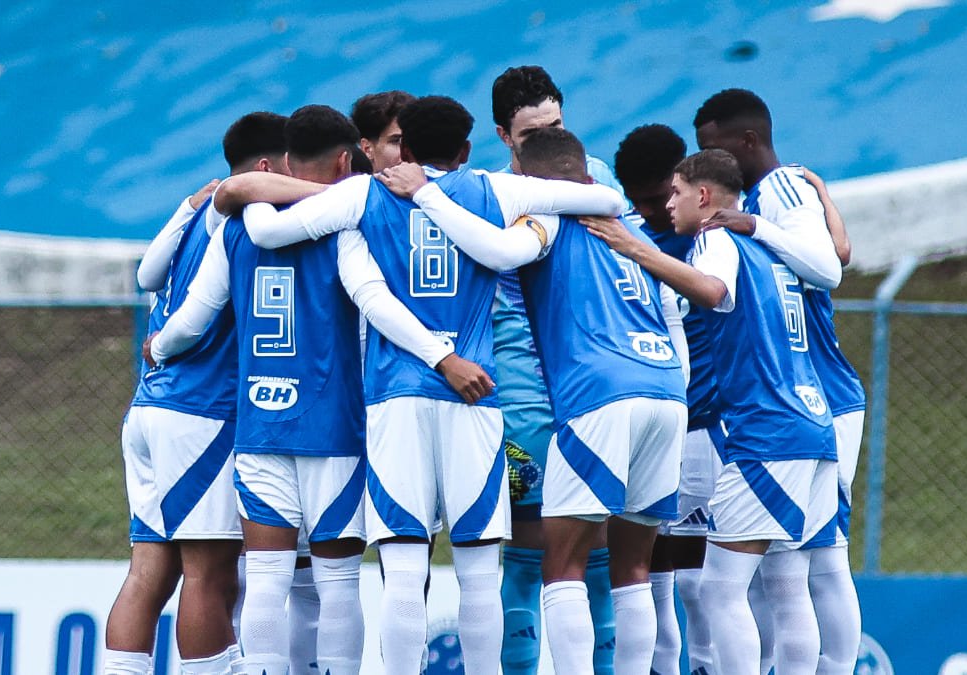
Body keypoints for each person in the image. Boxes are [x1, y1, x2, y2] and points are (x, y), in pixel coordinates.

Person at [223, 95, 626, 675]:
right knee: (478, 571)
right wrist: (537, 224)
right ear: (465, 150)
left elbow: (269, 234)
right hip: (476, 395)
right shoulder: (496, 191)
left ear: (403, 148)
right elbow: (607, 198)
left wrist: (241, 191)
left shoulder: (364, 195)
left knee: (406, 571)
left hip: (395, 398)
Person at [147, 105, 479, 675]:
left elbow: (191, 322)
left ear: (282, 159)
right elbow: (374, 298)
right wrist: (443, 355)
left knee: (268, 580)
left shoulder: (236, 229)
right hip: (335, 427)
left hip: (261, 426)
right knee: (337, 584)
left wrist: (159, 346)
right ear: (347, 160)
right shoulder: (347, 227)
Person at [378, 126, 689, 675]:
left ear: (526, 175)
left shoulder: (543, 217)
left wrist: (424, 193)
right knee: (629, 567)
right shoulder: (632, 228)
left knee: (557, 563)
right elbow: (674, 317)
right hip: (666, 391)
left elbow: (497, 253)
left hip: (594, 395)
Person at [583, 148, 839, 675]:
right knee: (790, 586)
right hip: (815, 426)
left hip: (766, 433)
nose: (669, 205)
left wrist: (633, 248)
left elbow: (711, 289)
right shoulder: (770, 246)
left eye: (675, 192)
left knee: (722, 590)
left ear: (702, 195)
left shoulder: (718, 238)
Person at [105, 111, 295, 675]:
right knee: (210, 575)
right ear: (266, 167)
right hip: (200, 415)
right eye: (289, 163)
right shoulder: (235, 216)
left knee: (150, 572)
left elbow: (145, 276)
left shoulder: (191, 218)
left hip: (149, 411)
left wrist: (190, 202)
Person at [694, 88, 862, 675]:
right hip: (795, 397)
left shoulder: (779, 189)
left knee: (822, 559)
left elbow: (829, 267)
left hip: (822, 393)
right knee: (786, 570)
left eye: (713, 148)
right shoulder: (764, 202)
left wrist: (756, 225)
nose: (708, 164)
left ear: (747, 142)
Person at [490, 64, 624, 675]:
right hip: (523, 389)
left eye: (557, 125)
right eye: (530, 133)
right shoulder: (493, 194)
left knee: (597, 544)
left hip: (593, 379)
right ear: (502, 136)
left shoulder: (597, 175)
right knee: (527, 548)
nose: (547, 140)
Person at [613, 123, 710, 675]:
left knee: (704, 581)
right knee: (655, 571)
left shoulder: (713, 239)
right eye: (639, 202)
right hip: (658, 422)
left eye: (658, 199)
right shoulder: (633, 239)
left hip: (710, 422)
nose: (651, 212)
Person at [351, 90, 416, 172]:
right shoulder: (349, 185)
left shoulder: (434, 183)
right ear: (367, 149)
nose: (410, 152)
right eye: (396, 141)